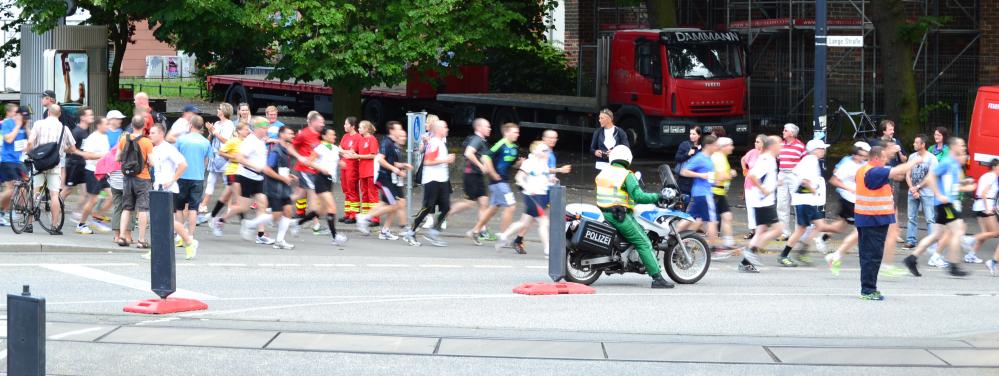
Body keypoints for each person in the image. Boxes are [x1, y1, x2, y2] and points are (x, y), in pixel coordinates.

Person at [595, 145, 672, 288]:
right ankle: (657, 278)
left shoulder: (603, 173)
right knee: (643, 242)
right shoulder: (626, 175)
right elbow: (639, 196)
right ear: (627, 158)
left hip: (604, 213)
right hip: (618, 216)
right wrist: (657, 196)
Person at [856, 145, 924, 300]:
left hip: (869, 218)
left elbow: (893, 174)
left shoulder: (865, 169)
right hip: (873, 219)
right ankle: (868, 290)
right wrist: (915, 161)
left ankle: (868, 288)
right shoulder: (873, 171)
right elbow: (896, 171)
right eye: (884, 158)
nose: (886, 161)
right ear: (876, 158)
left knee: (869, 255)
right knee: (872, 256)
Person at [903, 137, 975, 278]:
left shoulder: (954, 163)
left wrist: (965, 185)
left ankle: (911, 259)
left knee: (936, 235)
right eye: (961, 145)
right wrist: (939, 195)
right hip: (945, 204)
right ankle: (953, 265)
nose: (963, 147)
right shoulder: (947, 162)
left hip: (946, 203)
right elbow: (931, 178)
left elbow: (952, 185)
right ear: (954, 147)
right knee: (958, 231)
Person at [778, 139, 841, 267]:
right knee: (801, 229)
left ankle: (802, 251)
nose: (824, 151)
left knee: (819, 226)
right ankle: (784, 255)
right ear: (815, 150)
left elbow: (796, 173)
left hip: (807, 201)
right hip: (804, 201)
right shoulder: (811, 160)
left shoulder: (809, 160)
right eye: (822, 148)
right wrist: (813, 190)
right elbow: (804, 180)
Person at [145, 123, 199, 259]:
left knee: (167, 221)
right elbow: (156, 165)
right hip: (158, 188)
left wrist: (172, 180)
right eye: (150, 133)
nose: (150, 135)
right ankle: (157, 250)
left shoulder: (168, 148)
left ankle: (190, 241)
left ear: (161, 134)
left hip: (168, 190)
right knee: (158, 220)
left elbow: (183, 164)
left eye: (153, 133)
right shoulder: (155, 149)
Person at [242, 125, 298, 250]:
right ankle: (250, 224)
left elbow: (279, 169)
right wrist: (283, 178)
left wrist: (289, 175)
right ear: (282, 135)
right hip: (274, 188)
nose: (292, 136)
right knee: (277, 215)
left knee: (288, 212)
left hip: (283, 186)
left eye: (292, 134)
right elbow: (267, 169)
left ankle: (279, 241)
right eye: (289, 133)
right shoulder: (276, 151)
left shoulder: (284, 149)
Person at [26, 104, 78, 235]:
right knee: (54, 195)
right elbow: (73, 149)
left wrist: (29, 154)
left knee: (35, 192)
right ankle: (54, 227)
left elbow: (30, 142)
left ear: (48, 112)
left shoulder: (38, 124)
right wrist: (62, 149)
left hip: (38, 164)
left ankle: (29, 224)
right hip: (54, 165)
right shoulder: (64, 128)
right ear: (59, 114)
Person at [496, 141, 554, 256]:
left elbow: (543, 178)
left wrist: (551, 180)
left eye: (547, 150)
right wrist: (528, 187)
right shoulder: (529, 163)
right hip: (532, 195)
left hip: (540, 195)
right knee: (543, 222)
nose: (547, 152)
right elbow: (519, 177)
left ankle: (504, 235)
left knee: (524, 223)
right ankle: (547, 249)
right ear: (535, 151)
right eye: (544, 150)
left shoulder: (543, 163)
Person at [469, 123, 521, 251]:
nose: (517, 134)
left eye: (518, 132)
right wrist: (492, 173)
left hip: (503, 181)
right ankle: (504, 236)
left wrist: (520, 163)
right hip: (498, 182)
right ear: (506, 133)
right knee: (511, 206)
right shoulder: (500, 144)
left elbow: (512, 164)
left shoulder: (515, 147)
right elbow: (486, 157)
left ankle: (475, 231)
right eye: (514, 132)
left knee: (494, 208)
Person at [358, 122, 412, 240]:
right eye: (398, 129)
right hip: (384, 178)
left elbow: (392, 162)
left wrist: (402, 165)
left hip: (391, 179)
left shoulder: (393, 144)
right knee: (394, 205)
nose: (400, 131)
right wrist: (395, 170)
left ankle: (384, 231)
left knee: (391, 204)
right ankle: (365, 218)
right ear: (392, 131)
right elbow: (380, 160)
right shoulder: (386, 142)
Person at [739, 136, 785, 272]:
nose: (781, 146)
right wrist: (763, 189)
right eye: (779, 144)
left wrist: (775, 183)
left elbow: (763, 178)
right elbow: (752, 176)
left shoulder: (768, 158)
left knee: (760, 231)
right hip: (764, 201)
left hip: (763, 200)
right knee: (778, 229)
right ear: (772, 146)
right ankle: (750, 252)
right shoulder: (767, 159)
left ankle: (746, 262)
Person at [824, 142, 870, 275]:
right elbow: (833, 180)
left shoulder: (863, 164)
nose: (863, 157)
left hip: (858, 201)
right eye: (861, 155)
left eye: (865, 155)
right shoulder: (847, 165)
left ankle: (823, 236)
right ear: (855, 155)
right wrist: (849, 188)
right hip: (850, 200)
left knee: (841, 226)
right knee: (860, 230)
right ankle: (836, 255)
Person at [408, 119, 454, 247]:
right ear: (438, 130)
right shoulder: (434, 143)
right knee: (427, 207)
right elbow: (428, 161)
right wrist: (446, 159)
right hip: (432, 180)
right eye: (445, 127)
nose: (447, 129)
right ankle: (410, 232)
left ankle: (433, 233)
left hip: (442, 180)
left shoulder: (439, 142)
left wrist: (445, 160)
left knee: (446, 208)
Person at [234, 118, 276, 245]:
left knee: (262, 203)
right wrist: (254, 166)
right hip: (246, 177)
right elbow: (239, 158)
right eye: (264, 128)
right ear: (257, 128)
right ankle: (219, 219)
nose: (267, 130)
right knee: (243, 207)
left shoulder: (260, 140)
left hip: (258, 178)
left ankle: (261, 235)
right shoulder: (250, 141)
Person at [452, 118, 494, 245]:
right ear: (479, 128)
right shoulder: (477, 139)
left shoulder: (481, 140)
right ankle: (444, 215)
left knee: (484, 203)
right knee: (469, 203)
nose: (489, 129)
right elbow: (468, 153)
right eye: (487, 126)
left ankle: (481, 230)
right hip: (472, 175)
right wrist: (481, 166)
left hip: (477, 176)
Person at [114, 114, 154, 247]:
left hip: (127, 178)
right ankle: (141, 240)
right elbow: (152, 162)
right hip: (143, 178)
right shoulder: (147, 142)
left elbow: (117, 158)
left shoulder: (123, 139)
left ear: (131, 125)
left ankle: (122, 237)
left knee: (127, 207)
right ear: (144, 126)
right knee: (143, 209)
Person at [304, 127, 348, 245]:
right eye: (331, 135)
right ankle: (335, 237)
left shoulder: (334, 148)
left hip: (330, 180)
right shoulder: (320, 148)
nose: (334, 137)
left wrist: (341, 163)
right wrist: (321, 168)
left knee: (321, 210)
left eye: (334, 135)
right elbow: (309, 162)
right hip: (321, 179)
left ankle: (297, 223)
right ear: (324, 136)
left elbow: (337, 158)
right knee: (332, 207)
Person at [209, 123, 251, 237]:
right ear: (239, 131)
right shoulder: (233, 141)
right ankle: (243, 225)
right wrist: (234, 157)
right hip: (233, 171)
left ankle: (213, 216)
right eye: (246, 129)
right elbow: (221, 152)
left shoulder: (249, 142)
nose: (248, 131)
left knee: (225, 197)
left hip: (243, 172)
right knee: (239, 200)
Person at [174, 115, 212, 242]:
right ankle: (190, 235)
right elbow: (206, 160)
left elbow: (176, 158)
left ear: (190, 125)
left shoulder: (181, 140)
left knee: (178, 207)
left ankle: (180, 234)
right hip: (198, 177)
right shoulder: (206, 142)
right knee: (193, 208)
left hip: (182, 176)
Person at [679, 134, 719, 249]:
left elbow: (710, 177)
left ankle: (678, 238)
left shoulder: (708, 159)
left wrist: (714, 181)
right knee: (712, 221)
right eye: (715, 146)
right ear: (709, 146)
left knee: (694, 219)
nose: (716, 148)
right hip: (703, 194)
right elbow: (684, 171)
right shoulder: (700, 157)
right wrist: (702, 175)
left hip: (702, 193)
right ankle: (714, 248)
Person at [287, 111, 325, 231]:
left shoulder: (320, 134)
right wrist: (299, 157)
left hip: (315, 170)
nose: (323, 124)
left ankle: (276, 204)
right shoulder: (304, 134)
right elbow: (290, 147)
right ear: (313, 122)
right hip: (306, 170)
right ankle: (316, 224)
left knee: (298, 195)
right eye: (320, 122)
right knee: (313, 194)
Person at [74, 116, 112, 235]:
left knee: (110, 196)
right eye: (106, 124)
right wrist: (102, 155)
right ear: (99, 125)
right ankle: (81, 224)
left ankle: (97, 217)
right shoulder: (92, 138)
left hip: (102, 172)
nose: (108, 126)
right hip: (92, 172)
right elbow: (86, 155)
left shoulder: (105, 136)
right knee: (93, 200)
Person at [903, 134, 937, 249]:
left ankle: (932, 242)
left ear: (923, 145)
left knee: (930, 218)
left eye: (916, 142)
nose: (914, 144)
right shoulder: (912, 157)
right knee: (911, 217)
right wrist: (912, 188)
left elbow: (931, 177)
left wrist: (917, 187)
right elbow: (907, 174)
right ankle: (911, 240)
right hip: (912, 191)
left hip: (927, 192)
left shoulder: (932, 158)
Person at [202, 103, 236, 216]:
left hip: (224, 156)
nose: (217, 110)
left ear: (224, 111)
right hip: (214, 155)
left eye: (219, 108)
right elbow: (211, 138)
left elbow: (226, 141)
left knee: (228, 183)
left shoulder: (229, 124)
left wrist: (214, 131)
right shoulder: (216, 123)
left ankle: (230, 207)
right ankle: (204, 204)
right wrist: (210, 132)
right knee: (210, 180)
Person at [776, 123, 806, 241]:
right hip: (782, 174)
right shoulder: (780, 145)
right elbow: (778, 159)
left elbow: (805, 162)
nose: (783, 132)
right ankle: (785, 232)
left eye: (785, 130)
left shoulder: (800, 146)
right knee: (781, 203)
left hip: (795, 175)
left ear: (792, 133)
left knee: (797, 203)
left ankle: (798, 232)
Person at [709, 137, 738, 257]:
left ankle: (728, 242)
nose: (732, 147)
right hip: (714, 192)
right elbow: (720, 177)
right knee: (711, 222)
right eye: (730, 145)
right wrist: (731, 174)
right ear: (723, 147)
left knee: (727, 216)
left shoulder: (720, 157)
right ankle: (715, 249)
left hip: (719, 193)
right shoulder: (719, 158)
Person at [966, 160, 999, 265]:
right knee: (995, 232)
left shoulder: (985, 176)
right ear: (994, 166)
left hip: (979, 206)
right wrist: (988, 208)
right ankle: (968, 239)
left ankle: (970, 255)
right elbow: (984, 193)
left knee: (985, 234)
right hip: (985, 206)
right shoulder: (992, 177)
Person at [0, 105, 28, 227]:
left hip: (19, 161)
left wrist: (26, 127)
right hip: (7, 160)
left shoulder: (23, 124)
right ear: (12, 113)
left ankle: (4, 212)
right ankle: (2, 212)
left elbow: (29, 143)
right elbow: (9, 140)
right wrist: (17, 125)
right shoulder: (7, 123)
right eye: (17, 112)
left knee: (24, 186)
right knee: (10, 190)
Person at [62, 106, 93, 206]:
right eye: (90, 115)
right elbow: (66, 148)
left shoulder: (85, 131)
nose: (92, 116)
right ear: (82, 117)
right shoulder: (76, 132)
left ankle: (78, 215)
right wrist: (81, 153)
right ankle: (56, 206)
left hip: (82, 165)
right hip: (73, 164)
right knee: (68, 190)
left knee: (86, 193)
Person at [739, 134, 766, 240]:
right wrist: (744, 170)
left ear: (764, 143)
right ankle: (753, 230)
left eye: (758, 142)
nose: (755, 143)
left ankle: (761, 229)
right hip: (749, 184)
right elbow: (743, 160)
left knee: (760, 208)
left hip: (760, 185)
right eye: (755, 141)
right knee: (750, 207)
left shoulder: (766, 155)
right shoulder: (752, 152)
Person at [356, 120, 380, 220]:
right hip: (362, 171)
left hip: (371, 171)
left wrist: (358, 156)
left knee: (372, 194)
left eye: (360, 128)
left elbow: (373, 155)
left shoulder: (372, 139)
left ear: (366, 129)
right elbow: (355, 151)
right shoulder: (361, 140)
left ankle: (375, 218)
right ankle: (366, 215)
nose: (358, 129)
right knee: (365, 194)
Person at [339, 117, 361, 223]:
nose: (344, 126)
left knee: (352, 190)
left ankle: (354, 214)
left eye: (346, 124)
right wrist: (345, 152)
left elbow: (353, 153)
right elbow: (339, 149)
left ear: (352, 126)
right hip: (344, 166)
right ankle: (348, 213)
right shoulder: (345, 136)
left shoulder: (358, 137)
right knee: (346, 190)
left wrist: (344, 151)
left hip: (352, 167)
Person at [674, 126, 702, 199]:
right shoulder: (685, 145)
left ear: (699, 135)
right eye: (690, 134)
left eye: (694, 134)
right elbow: (677, 158)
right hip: (685, 178)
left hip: (697, 178)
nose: (691, 136)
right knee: (684, 200)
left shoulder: (702, 147)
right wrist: (688, 154)